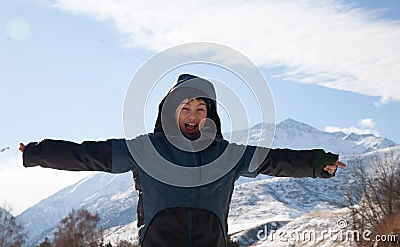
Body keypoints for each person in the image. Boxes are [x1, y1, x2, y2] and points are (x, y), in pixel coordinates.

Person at [20, 74, 346, 247]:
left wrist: (318, 163)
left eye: (200, 109)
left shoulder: (227, 154)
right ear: (170, 111)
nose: (192, 115)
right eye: (185, 108)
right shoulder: (146, 150)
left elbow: (274, 161)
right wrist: (37, 152)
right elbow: (87, 155)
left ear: (210, 115)